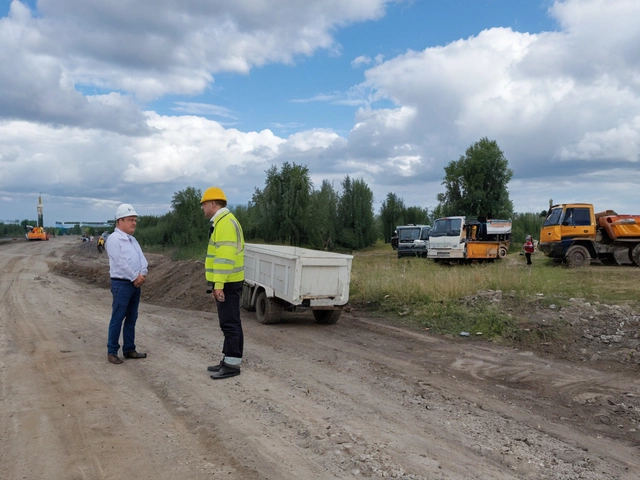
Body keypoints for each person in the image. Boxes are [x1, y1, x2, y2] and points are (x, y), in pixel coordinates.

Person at [200, 187, 245, 380]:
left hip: (227, 282)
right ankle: (228, 359)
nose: (202, 208)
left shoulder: (225, 223)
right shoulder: (223, 222)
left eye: (203, 205)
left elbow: (225, 258)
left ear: (213, 204)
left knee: (230, 323)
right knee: (230, 321)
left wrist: (218, 284)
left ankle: (232, 365)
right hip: (227, 281)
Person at [105, 203, 149, 364]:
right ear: (119, 221)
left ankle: (129, 349)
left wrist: (142, 273)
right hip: (121, 284)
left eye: (135, 220)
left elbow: (142, 258)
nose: (134, 223)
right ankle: (112, 351)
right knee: (118, 317)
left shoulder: (132, 240)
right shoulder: (114, 239)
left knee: (132, 317)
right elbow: (119, 262)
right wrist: (134, 277)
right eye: (130, 220)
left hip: (135, 284)